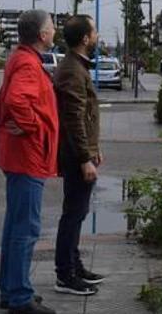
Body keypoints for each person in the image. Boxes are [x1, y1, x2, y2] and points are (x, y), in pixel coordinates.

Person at [0, 9, 59, 314]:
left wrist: (26, 123)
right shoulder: (28, 64)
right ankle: (19, 297)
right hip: (28, 155)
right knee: (26, 228)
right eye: (51, 27)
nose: (55, 30)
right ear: (42, 35)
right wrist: (33, 126)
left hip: (20, 154)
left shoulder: (21, 59)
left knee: (15, 225)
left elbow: (5, 101)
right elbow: (15, 100)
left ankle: (10, 290)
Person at [53, 15, 107, 296]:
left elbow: (84, 116)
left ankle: (74, 265)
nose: (97, 35)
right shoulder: (73, 70)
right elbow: (73, 118)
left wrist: (94, 148)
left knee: (77, 212)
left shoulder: (76, 67)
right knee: (73, 214)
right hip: (75, 156)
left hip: (81, 152)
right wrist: (85, 157)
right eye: (94, 31)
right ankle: (65, 274)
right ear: (85, 38)